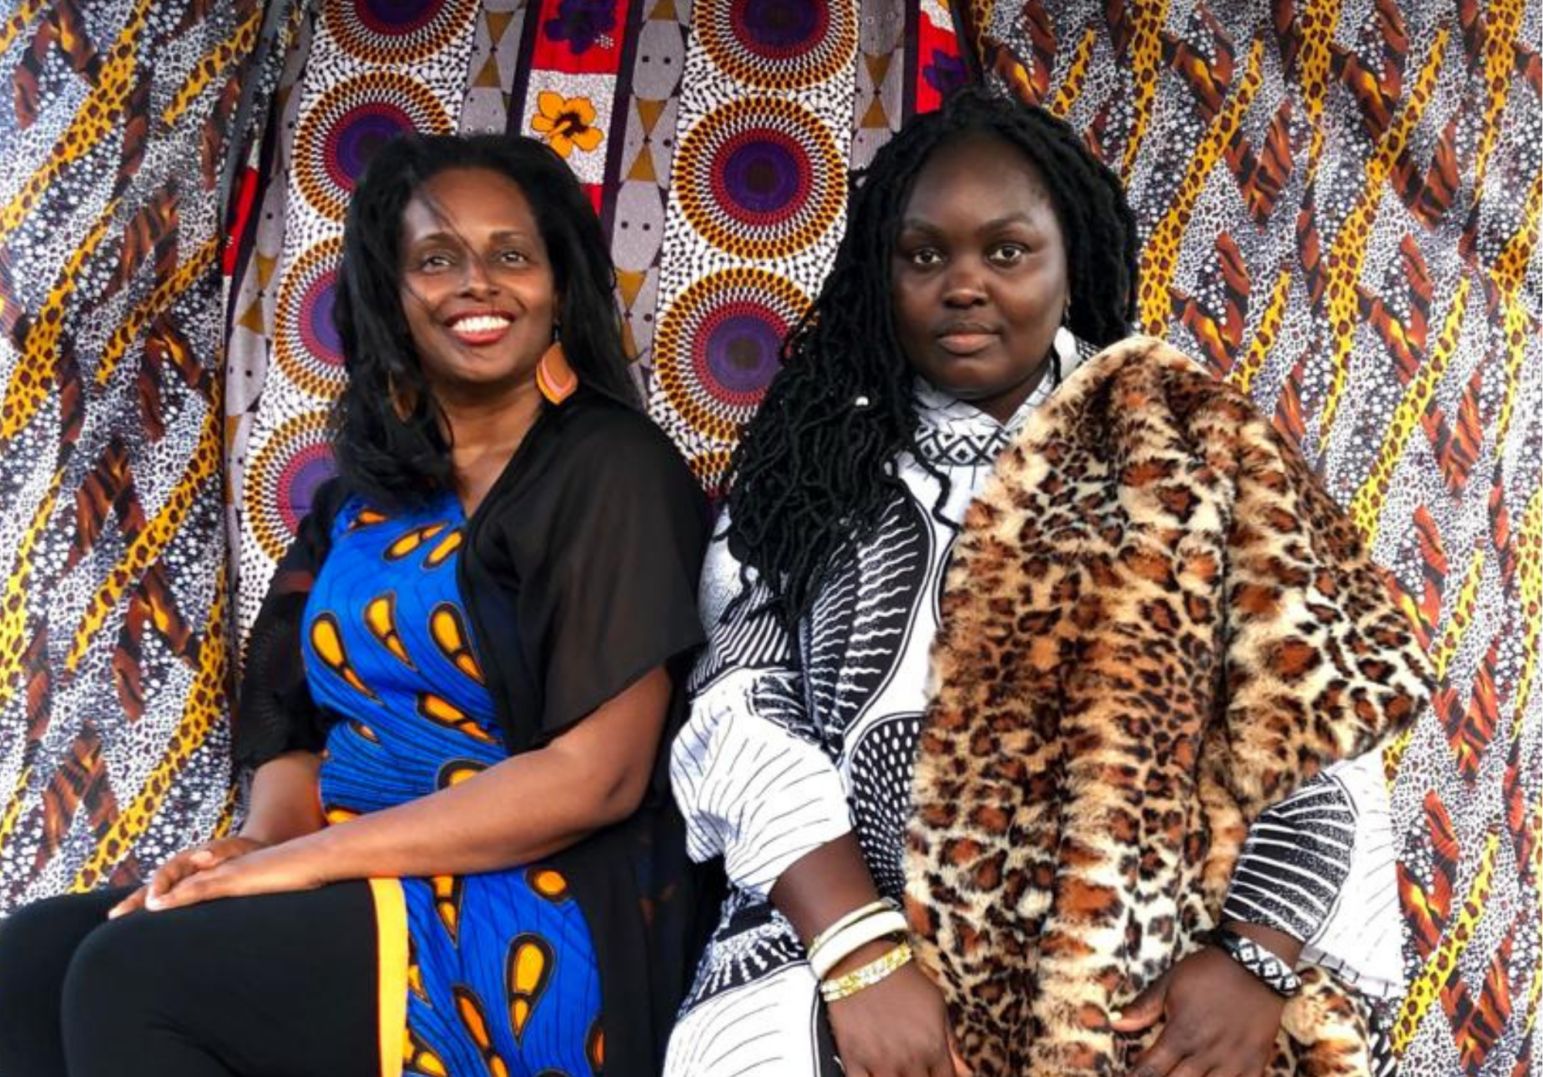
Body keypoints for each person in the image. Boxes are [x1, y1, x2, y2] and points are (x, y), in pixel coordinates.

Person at [664, 86, 1427, 1077]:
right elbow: (739, 709)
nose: (963, 285)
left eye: (1007, 251)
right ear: (878, 275)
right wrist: (855, 953)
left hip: (1159, 962)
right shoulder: (808, 464)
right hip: (850, 939)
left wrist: (1253, 959)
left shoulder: (1197, 448)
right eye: (923, 254)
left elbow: (1325, 718)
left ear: (1072, 266)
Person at [0, 133, 710, 1077]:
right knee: (35, 957)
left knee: (137, 974)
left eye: (511, 254)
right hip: (350, 872)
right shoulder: (356, 502)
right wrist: (253, 851)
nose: (477, 283)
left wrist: (295, 871)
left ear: (559, 287)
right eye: (436, 258)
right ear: (390, 292)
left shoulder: (611, 467)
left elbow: (597, 778)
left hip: (531, 902)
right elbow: (292, 727)